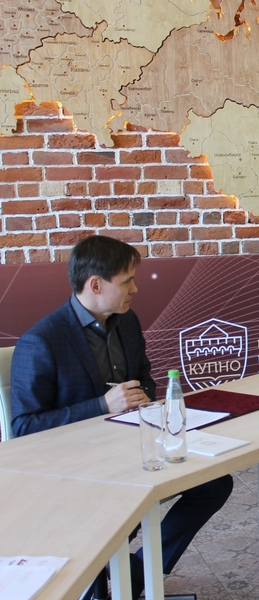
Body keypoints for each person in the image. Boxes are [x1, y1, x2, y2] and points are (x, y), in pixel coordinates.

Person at [11, 235, 233, 599]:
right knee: (115, 518)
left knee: (214, 483)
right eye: (127, 280)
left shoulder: (127, 322)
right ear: (95, 285)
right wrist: (102, 405)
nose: (135, 288)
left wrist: (141, 396)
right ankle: (102, 578)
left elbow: (145, 378)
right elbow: (24, 428)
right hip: (77, 468)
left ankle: (137, 574)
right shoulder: (42, 341)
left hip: (134, 449)